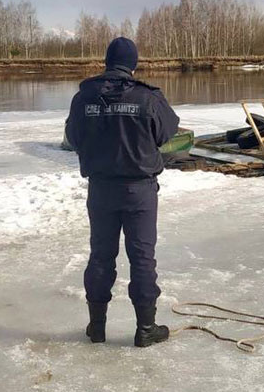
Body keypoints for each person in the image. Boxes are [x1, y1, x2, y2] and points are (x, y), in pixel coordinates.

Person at [65, 37, 180, 347]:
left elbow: (73, 137)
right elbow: (167, 132)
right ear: (133, 65)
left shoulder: (84, 96)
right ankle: (146, 329)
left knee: (100, 256)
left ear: (107, 62)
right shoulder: (148, 97)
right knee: (142, 259)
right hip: (138, 191)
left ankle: (97, 327)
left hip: (101, 189)